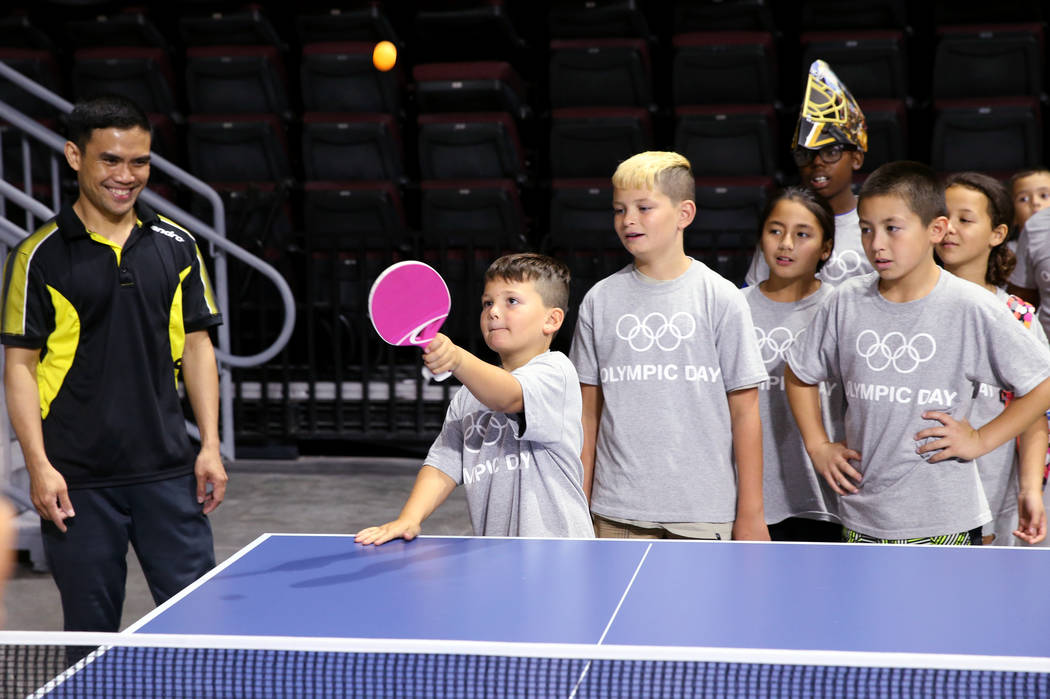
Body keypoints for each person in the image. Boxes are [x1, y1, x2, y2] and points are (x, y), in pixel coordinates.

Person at [1, 95, 226, 631]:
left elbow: (197, 347)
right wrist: (38, 466)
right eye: (111, 160)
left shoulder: (179, 245)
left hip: (169, 472)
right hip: (77, 483)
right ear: (75, 156)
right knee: (90, 635)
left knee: (201, 631)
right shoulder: (38, 256)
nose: (126, 176)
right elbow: (20, 367)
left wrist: (211, 446)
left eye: (140, 161)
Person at [785, 161, 1050, 545]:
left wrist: (980, 440)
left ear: (936, 230)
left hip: (946, 520)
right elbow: (799, 373)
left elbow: (1041, 385)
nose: (876, 244)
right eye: (866, 229)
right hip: (861, 515)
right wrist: (818, 445)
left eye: (892, 228)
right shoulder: (845, 301)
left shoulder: (971, 306)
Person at [570, 151, 769, 541]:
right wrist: (578, 503)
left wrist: (751, 515)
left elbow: (745, 413)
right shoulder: (599, 299)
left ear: (685, 214)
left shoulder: (721, 297)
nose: (628, 220)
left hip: (702, 515)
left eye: (644, 208)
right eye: (619, 209)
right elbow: (587, 416)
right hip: (615, 513)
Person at [355, 253, 593, 544]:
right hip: (495, 551)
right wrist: (409, 518)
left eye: (512, 301)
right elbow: (443, 464)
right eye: (487, 303)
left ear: (551, 319)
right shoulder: (468, 396)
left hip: (558, 553)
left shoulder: (557, 373)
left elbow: (507, 396)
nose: (494, 312)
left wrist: (456, 357)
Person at [937, 172, 1047, 546]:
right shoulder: (907, 303)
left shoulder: (1017, 315)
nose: (949, 228)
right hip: (917, 498)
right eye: (942, 216)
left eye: (965, 220)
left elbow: (1034, 415)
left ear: (997, 234)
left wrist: (1030, 487)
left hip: (990, 496)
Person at [742, 188, 842, 542]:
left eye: (802, 234)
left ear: (826, 248)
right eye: (775, 230)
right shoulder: (733, 308)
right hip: (752, 500)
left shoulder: (841, 308)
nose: (786, 244)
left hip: (829, 498)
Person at [746, 60, 871, 288]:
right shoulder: (785, 221)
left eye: (831, 152)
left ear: (856, 158)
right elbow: (754, 293)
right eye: (806, 154)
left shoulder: (874, 222)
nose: (817, 163)